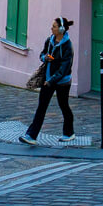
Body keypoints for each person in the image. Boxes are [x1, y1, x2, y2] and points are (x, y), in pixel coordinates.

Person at [20, 17, 76, 145]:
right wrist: (46, 57)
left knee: (64, 106)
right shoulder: (49, 40)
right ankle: (31, 136)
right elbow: (42, 54)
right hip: (48, 79)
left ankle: (69, 133)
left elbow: (65, 68)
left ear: (61, 29)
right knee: (41, 107)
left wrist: (51, 81)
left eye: (54, 26)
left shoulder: (68, 45)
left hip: (62, 82)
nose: (51, 28)